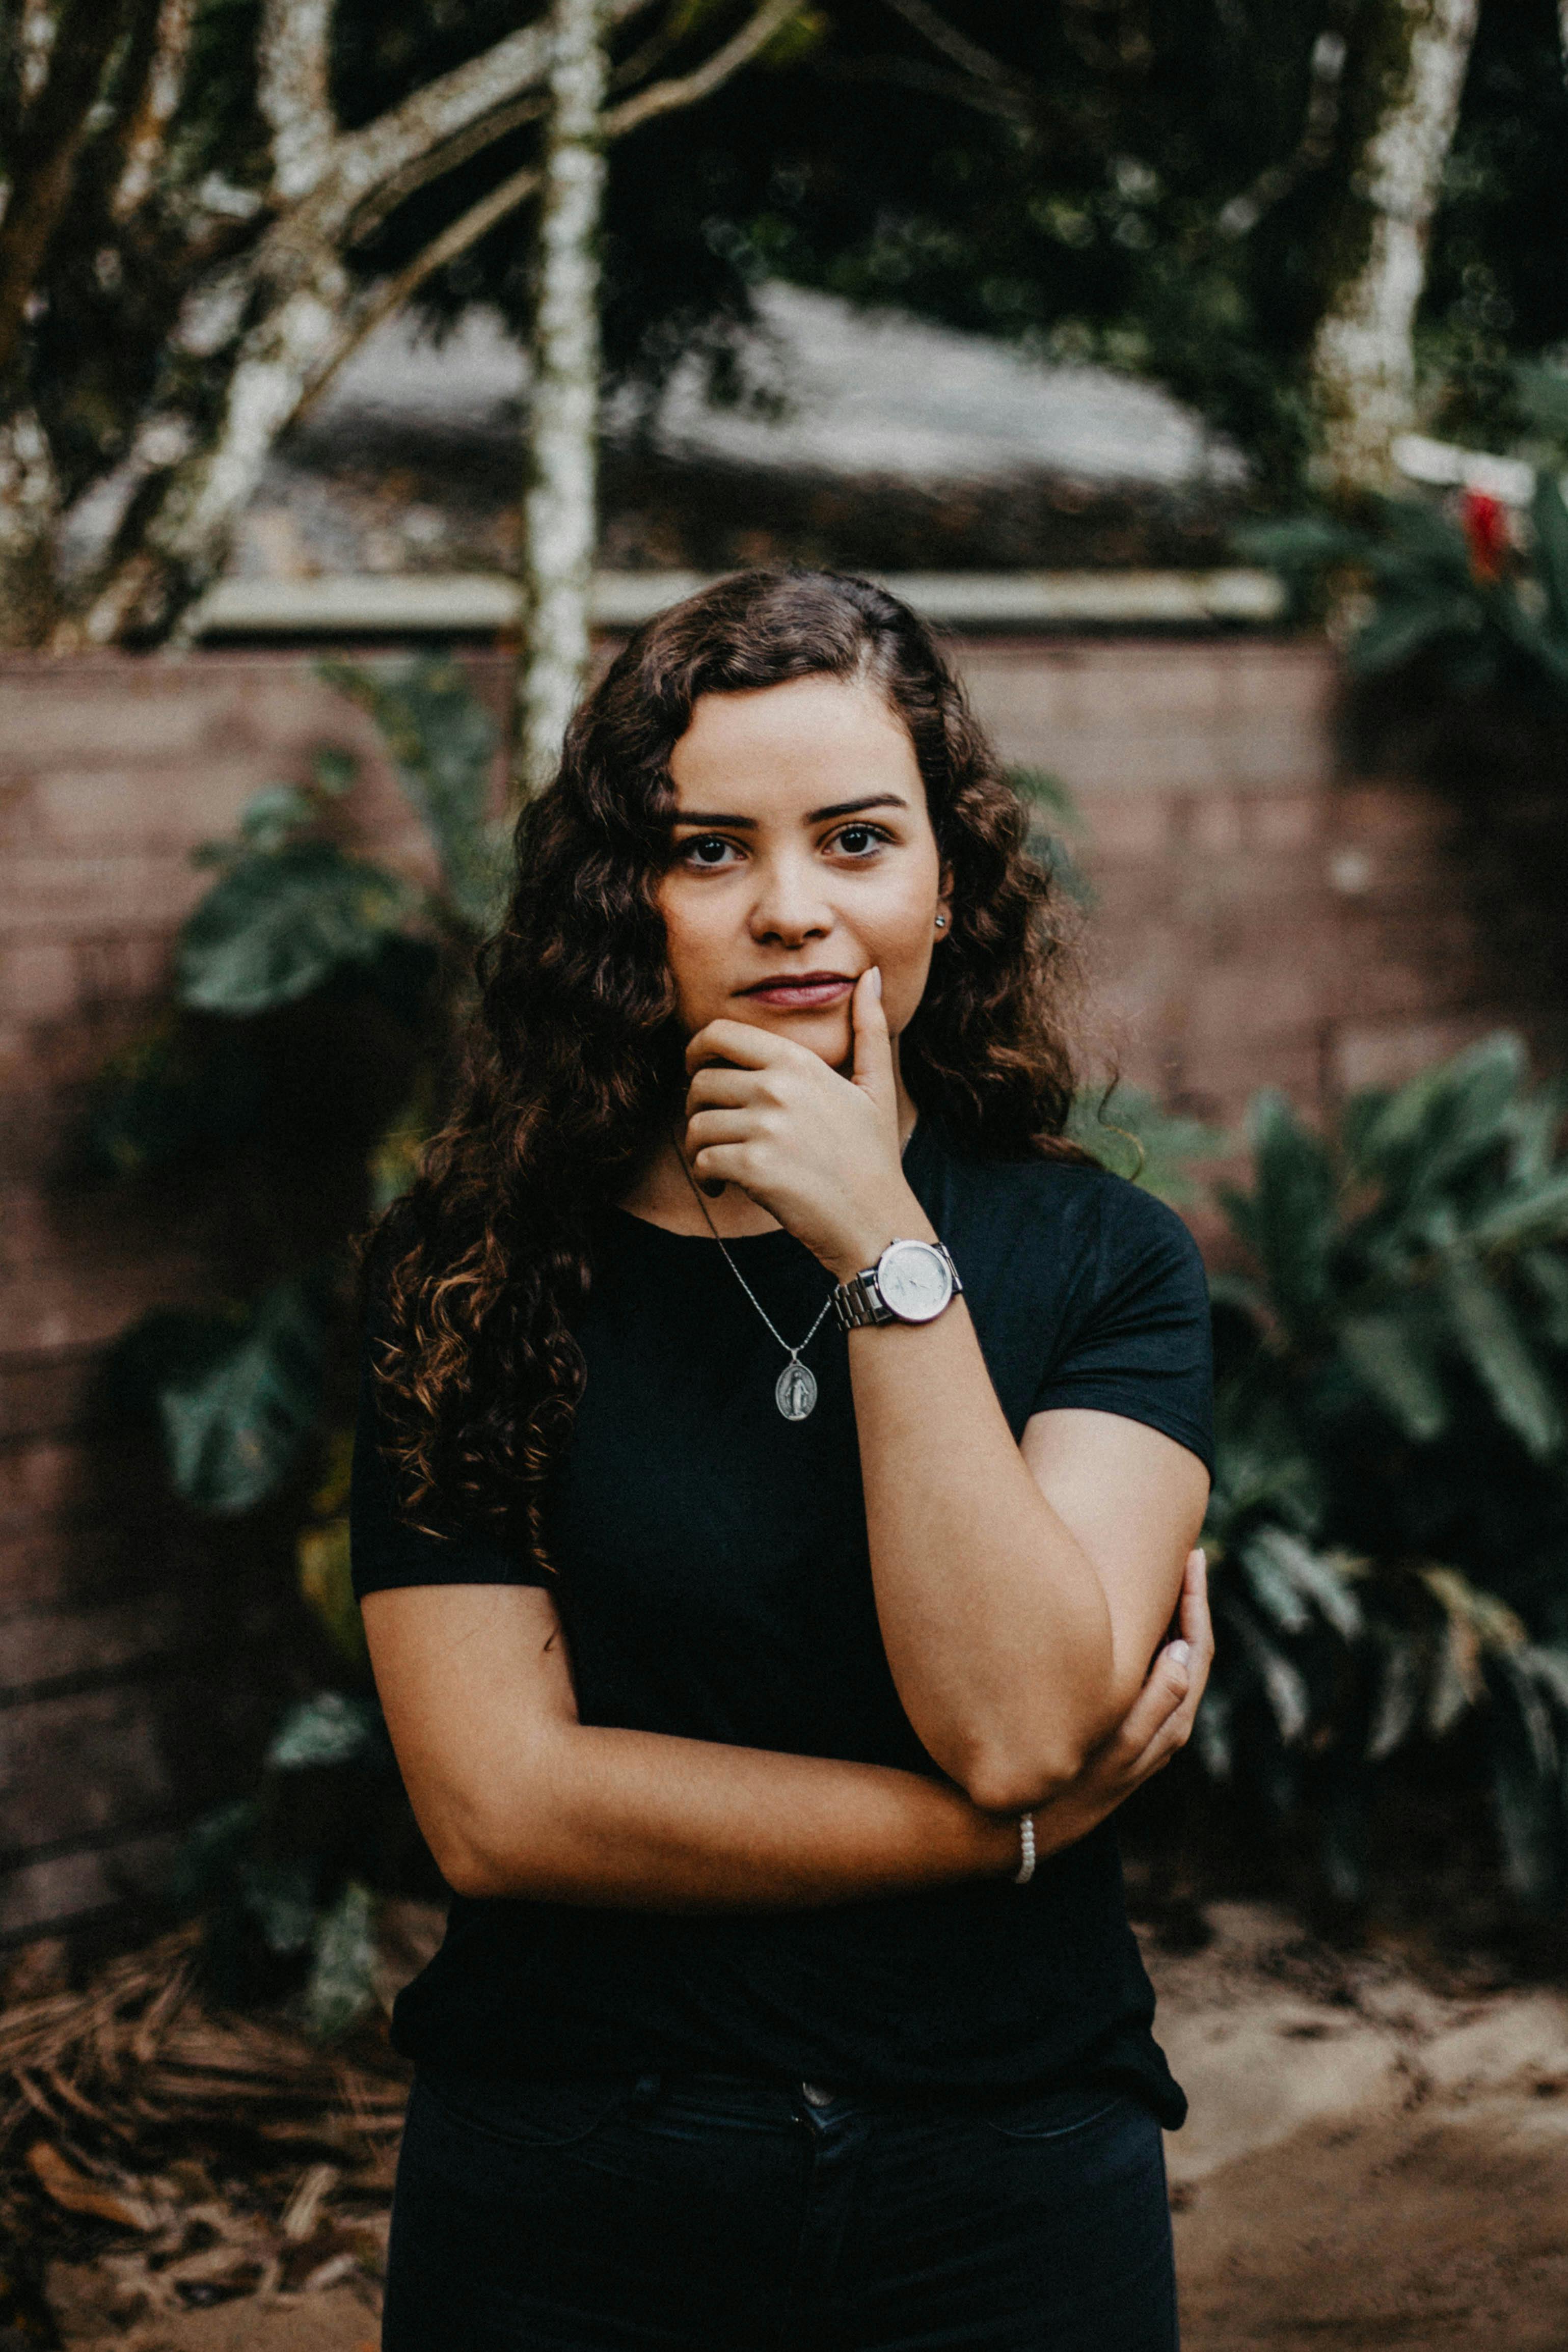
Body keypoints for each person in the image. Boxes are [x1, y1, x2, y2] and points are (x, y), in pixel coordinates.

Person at [352, 569, 1215, 2352]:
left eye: (854, 838)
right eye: (708, 850)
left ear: (947, 877)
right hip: (574, 2175)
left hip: (1006, 2168)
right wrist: (996, 1844)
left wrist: (885, 1252)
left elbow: (1014, 1718)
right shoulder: (473, 1264)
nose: (790, 910)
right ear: (628, 902)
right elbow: (498, 1806)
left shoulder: (1109, 1262)